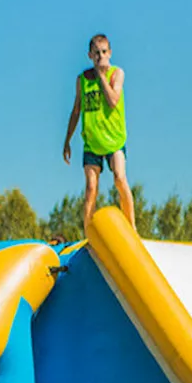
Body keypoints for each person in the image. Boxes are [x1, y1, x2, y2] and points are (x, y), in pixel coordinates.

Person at [63, 33, 135, 235]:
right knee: (91, 188)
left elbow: (113, 100)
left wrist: (102, 75)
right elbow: (76, 110)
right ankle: (88, 235)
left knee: (120, 179)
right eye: (96, 53)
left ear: (110, 53)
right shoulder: (83, 80)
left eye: (104, 52)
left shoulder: (116, 73)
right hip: (92, 141)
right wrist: (67, 140)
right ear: (89, 55)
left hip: (114, 140)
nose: (100, 56)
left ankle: (132, 229)